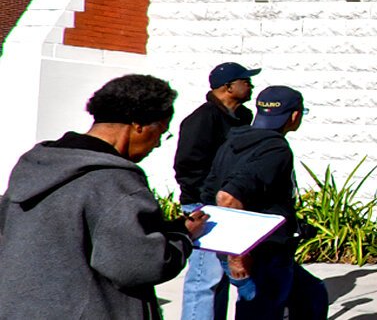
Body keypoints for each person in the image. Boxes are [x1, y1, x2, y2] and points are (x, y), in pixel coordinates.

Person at [0, 74, 209, 319]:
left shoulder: (35, 165)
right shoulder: (114, 181)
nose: (159, 144)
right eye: (161, 132)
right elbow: (138, 266)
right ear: (138, 125)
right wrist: (181, 236)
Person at [203, 86, 328, 319]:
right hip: (261, 254)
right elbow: (227, 197)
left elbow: (209, 193)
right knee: (261, 311)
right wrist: (237, 255)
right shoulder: (275, 149)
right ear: (294, 116)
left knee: (311, 294)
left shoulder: (232, 142)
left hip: (256, 250)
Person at [176, 62, 259, 320]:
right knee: (205, 278)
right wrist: (204, 204)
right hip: (204, 208)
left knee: (221, 277)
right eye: (246, 81)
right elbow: (186, 166)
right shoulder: (201, 120)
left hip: (228, 206)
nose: (251, 85)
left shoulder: (243, 117)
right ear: (228, 87)